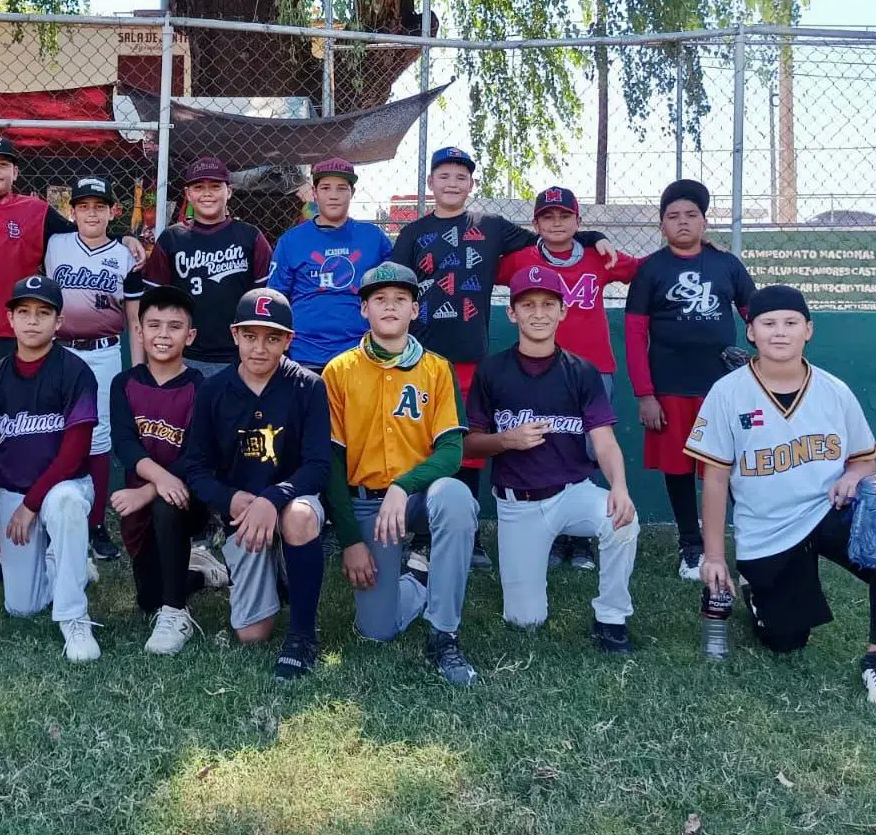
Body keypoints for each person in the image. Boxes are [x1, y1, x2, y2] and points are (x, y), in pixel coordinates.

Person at [688, 285, 876, 712]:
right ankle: (758, 591)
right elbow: (715, 479)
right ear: (751, 332)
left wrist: (852, 476)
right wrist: (714, 556)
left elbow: (864, 459)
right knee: (785, 641)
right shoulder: (727, 393)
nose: (780, 332)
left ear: (808, 330)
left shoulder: (834, 390)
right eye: (768, 323)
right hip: (768, 529)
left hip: (828, 512)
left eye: (791, 323)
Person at [391, 147, 612, 570]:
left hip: (471, 357)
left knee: (469, 445)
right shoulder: (414, 232)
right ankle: (420, 536)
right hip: (421, 357)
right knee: (422, 443)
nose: (453, 183)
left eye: (461, 176)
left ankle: (469, 536)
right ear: (431, 182)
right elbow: (398, 286)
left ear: (472, 185)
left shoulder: (490, 227)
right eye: (444, 175)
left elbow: (547, 241)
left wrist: (588, 238)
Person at [464, 266, 640, 652]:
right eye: (527, 305)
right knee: (524, 620)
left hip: (571, 493)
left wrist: (620, 488)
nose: (538, 313)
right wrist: (505, 441)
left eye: (548, 304)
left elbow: (605, 440)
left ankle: (611, 618)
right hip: (518, 504)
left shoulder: (581, 371)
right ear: (512, 314)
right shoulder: (492, 370)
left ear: (564, 311)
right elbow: (471, 445)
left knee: (622, 520)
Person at [322, 262, 480, 686]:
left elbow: (452, 451)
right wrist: (351, 540)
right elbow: (332, 462)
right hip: (365, 500)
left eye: (400, 300)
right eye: (379, 299)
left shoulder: (436, 368)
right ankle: (417, 581)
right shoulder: (338, 371)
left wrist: (402, 485)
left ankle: (444, 632)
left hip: (418, 496)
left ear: (414, 310)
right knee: (378, 631)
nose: (389, 307)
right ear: (364, 311)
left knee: (456, 497)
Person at [183, 288, 331, 681]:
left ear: (288, 341)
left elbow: (318, 466)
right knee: (251, 634)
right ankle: (281, 576)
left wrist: (274, 497)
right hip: (244, 515)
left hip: (290, 502)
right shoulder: (213, 391)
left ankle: (302, 636)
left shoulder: (309, 387)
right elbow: (195, 468)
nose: (260, 348)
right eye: (250, 336)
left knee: (298, 518)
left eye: (272, 338)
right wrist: (228, 499)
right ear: (234, 335)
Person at [498, 185, 642, 571]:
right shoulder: (523, 258)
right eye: (548, 216)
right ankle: (553, 533)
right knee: (549, 444)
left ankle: (580, 539)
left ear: (579, 222)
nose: (557, 222)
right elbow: (483, 270)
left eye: (565, 216)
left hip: (593, 368)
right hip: (542, 369)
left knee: (591, 449)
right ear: (536, 224)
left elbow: (641, 271)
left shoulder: (598, 255)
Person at [0, 135, 143, 376]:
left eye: (3, 165)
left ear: (15, 172)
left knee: (12, 410)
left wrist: (123, 239)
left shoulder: (36, 211)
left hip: (18, 333)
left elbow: (82, 234)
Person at [0, 276, 102, 662]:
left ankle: (74, 618)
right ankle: (62, 563)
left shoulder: (74, 372)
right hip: (13, 492)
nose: (32, 321)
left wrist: (32, 503)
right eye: (23, 312)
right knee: (21, 607)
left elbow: (76, 452)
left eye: (43, 313)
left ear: (58, 322)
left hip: (65, 487)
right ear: (9, 319)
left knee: (66, 505)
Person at [625, 179, 754, 581]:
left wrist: (763, 362)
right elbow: (634, 335)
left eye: (690, 215)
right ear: (662, 226)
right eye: (672, 216)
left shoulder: (727, 264)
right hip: (670, 388)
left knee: (731, 469)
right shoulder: (651, 270)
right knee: (678, 470)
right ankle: (691, 546)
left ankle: (750, 545)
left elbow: (756, 316)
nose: (682, 222)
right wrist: (646, 395)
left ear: (704, 220)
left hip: (723, 387)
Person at [108, 284, 230, 655]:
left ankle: (176, 614)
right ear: (139, 332)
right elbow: (125, 443)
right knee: (148, 598)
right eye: (154, 325)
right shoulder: (124, 383)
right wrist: (154, 480)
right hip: (143, 498)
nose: (163, 335)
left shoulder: (201, 388)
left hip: (185, 497)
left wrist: (152, 487)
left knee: (166, 503)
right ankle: (196, 569)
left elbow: (196, 453)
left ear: (190, 335)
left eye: (174, 326)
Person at [44, 175, 144, 562]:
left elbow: (134, 320)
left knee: (99, 437)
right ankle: (55, 517)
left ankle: (96, 524)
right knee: (54, 430)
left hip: (103, 351)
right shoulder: (54, 243)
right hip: (59, 349)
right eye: (83, 206)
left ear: (112, 212)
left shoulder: (125, 256)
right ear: (72, 211)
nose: (91, 213)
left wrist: (136, 370)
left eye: (99, 207)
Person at [142, 157, 273, 378]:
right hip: (185, 354)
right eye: (198, 187)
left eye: (215, 186)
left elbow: (266, 297)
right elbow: (153, 301)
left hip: (239, 354)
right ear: (188, 194)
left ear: (229, 191)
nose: (207, 193)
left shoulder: (249, 236)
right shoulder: (173, 237)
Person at [267, 157, 393, 372]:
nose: (333, 195)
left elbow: (392, 293)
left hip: (361, 352)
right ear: (314, 193)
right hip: (306, 354)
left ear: (352, 193)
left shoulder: (373, 238)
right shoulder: (291, 241)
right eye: (325, 188)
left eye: (341, 188)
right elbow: (276, 299)